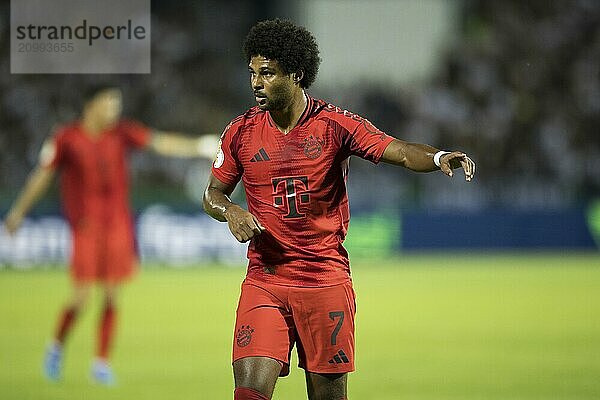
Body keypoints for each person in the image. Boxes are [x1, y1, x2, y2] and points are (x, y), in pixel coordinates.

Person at [203, 19, 475, 400]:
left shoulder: (334, 125)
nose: (256, 83)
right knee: (248, 392)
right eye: (252, 73)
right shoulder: (240, 132)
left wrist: (439, 155)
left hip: (324, 281)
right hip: (265, 279)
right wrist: (230, 211)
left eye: (267, 73)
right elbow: (212, 194)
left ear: (296, 73)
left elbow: (397, 149)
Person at [3, 84, 217, 385]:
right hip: (86, 227)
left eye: (116, 104)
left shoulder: (122, 133)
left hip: (117, 225)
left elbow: (161, 142)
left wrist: (199, 146)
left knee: (112, 295)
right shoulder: (66, 138)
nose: (114, 110)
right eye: (109, 103)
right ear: (91, 105)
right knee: (81, 297)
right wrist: (18, 211)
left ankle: (101, 364)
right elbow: (42, 175)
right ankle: (56, 347)